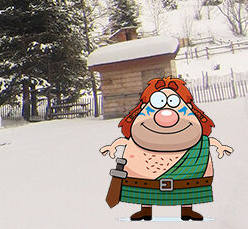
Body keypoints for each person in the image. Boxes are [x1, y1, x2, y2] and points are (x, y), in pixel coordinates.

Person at [100, 76, 233, 221]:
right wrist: (113, 146)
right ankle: (146, 210)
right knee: (145, 190)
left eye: (172, 102)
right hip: (144, 173)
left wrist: (219, 146)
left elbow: (208, 141)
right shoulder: (142, 124)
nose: (166, 113)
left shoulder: (196, 135)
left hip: (188, 176)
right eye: (159, 102)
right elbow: (125, 141)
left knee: (187, 189)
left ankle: (187, 210)